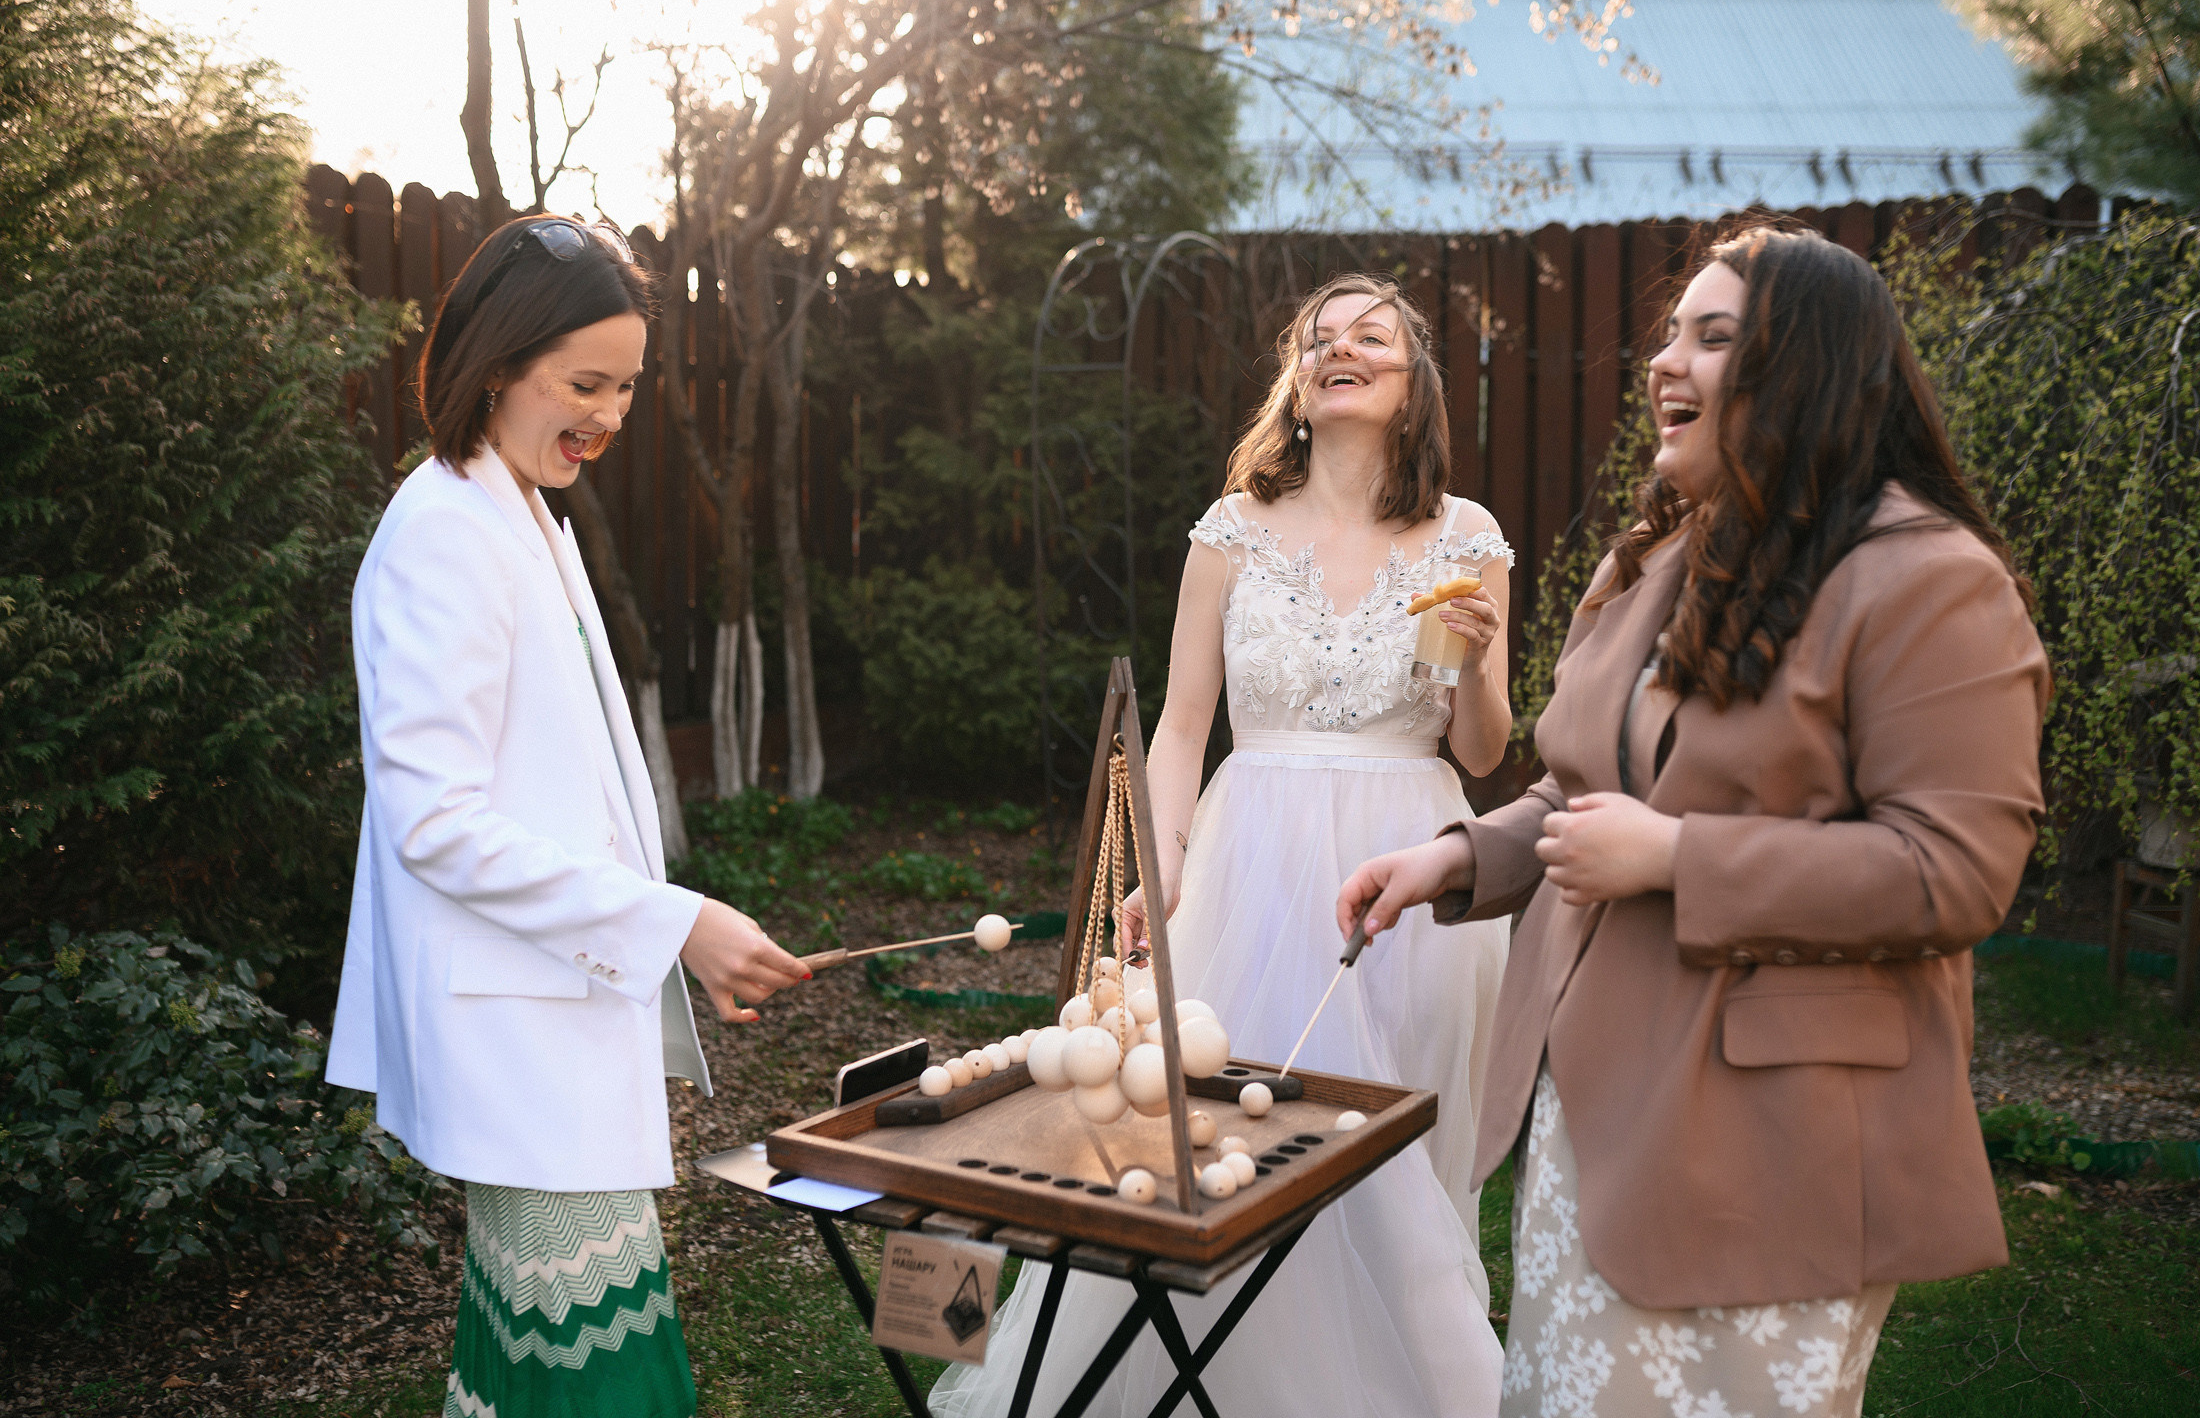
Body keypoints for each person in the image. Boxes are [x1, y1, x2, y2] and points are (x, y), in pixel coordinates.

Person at [1338, 226, 2049, 1418]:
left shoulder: (1931, 579)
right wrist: (1459, 855)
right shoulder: (1659, 557)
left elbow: (1955, 871)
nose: (1667, 362)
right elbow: (1585, 786)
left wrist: (1678, 860)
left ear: (1806, 369)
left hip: (1772, 1140)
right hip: (1597, 1107)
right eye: (1671, 332)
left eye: (1713, 338)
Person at [933, 275, 1511, 1417]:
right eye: (1318, 339)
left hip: (1405, 874)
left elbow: (1486, 753)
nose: (1338, 349)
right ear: (1298, 382)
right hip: (1252, 868)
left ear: (1412, 386)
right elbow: (1182, 727)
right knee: (1219, 1138)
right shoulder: (1232, 529)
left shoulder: (1466, 535)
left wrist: (1484, 660)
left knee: (1380, 1164)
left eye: (1370, 338)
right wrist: (1165, 863)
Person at [325, 215, 811, 1418]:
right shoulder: (444, 530)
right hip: (511, 1032)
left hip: (546, 1014)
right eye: (583, 383)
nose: (608, 413)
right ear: (498, 363)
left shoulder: (524, 510)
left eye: (628, 387)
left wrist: (676, 939)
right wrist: (674, 922)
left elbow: (568, 785)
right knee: (603, 1378)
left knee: (529, 1363)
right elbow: (432, 821)